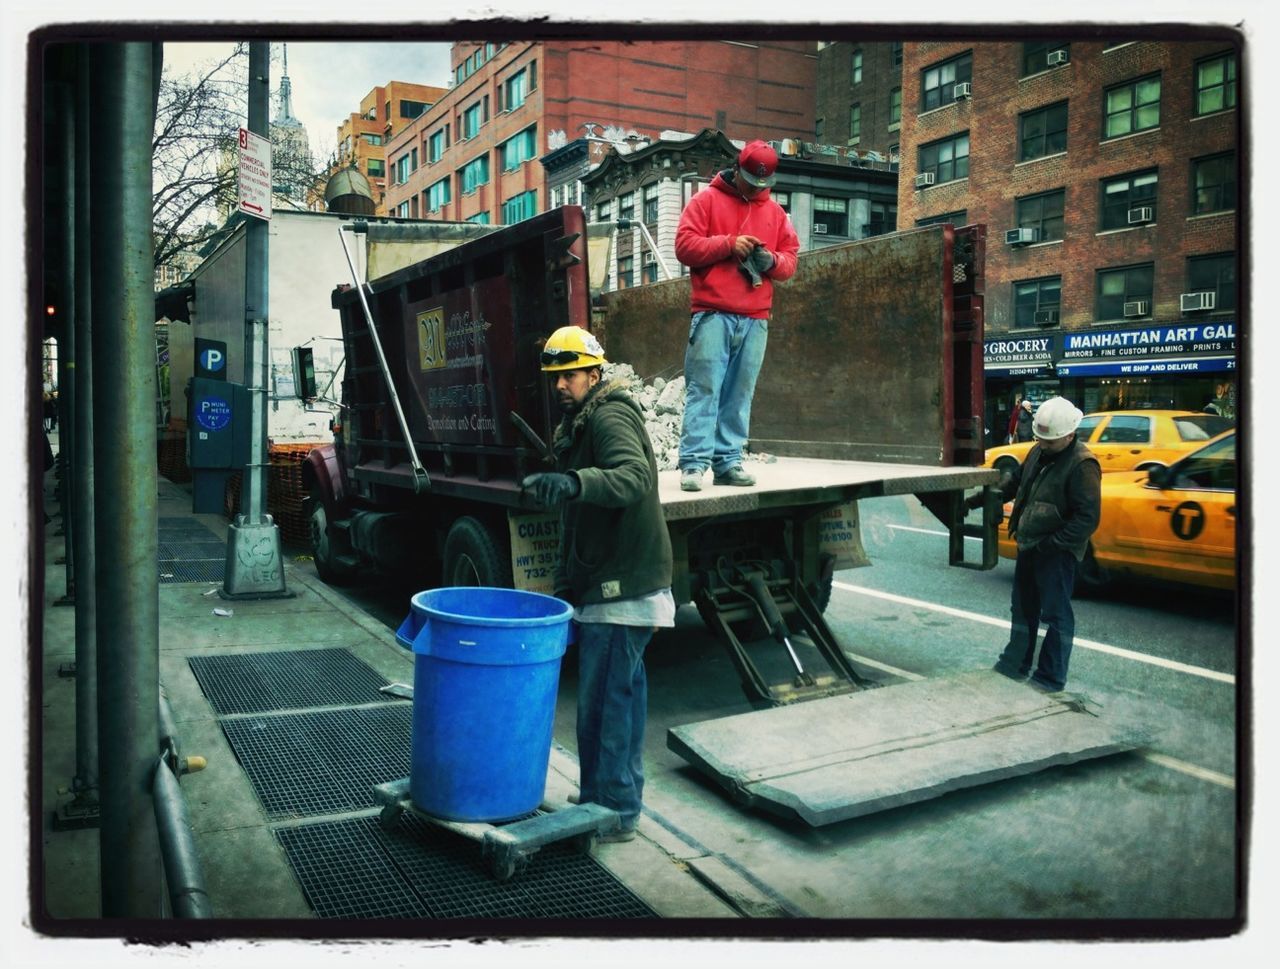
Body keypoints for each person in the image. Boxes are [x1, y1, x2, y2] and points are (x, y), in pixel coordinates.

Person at [522, 325, 675, 843]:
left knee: (608, 706)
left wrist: (574, 481)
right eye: (555, 378)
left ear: (594, 372)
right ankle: (610, 797)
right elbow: (576, 523)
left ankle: (610, 810)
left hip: (622, 589)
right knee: (622, 702)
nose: (561, 386)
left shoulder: (609, 414)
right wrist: (567, 586)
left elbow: (632, 477)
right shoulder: (580, 423)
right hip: (611, 584)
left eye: (570, 375)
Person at [673, 139, 800, 492]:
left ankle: (728, 462)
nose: (757, 189)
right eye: (751, 181)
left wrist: (772, 261)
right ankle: (694, 464)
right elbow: (684, 247)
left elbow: (790, 259)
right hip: (713, 313)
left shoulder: (775, 214)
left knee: (740, 392)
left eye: (764, 184)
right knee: (705, 389)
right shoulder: (706, 201)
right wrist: (729, 244)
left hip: (756, 318)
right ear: (737, 169)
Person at [969, 396, 1101, 692]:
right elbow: (1014, 484)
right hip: (1031, 545)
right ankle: (1014, 663)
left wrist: (1053, 545)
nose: (1043, 445)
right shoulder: (1038, 452)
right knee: (1023, 609)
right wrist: (978, 500)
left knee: (1055, 615)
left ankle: (1050, 677)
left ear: (1069, 435)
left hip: (1056, 553)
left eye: (1049, 442)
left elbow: (1087, 519)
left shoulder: (1083, 464)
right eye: (1040, 439)